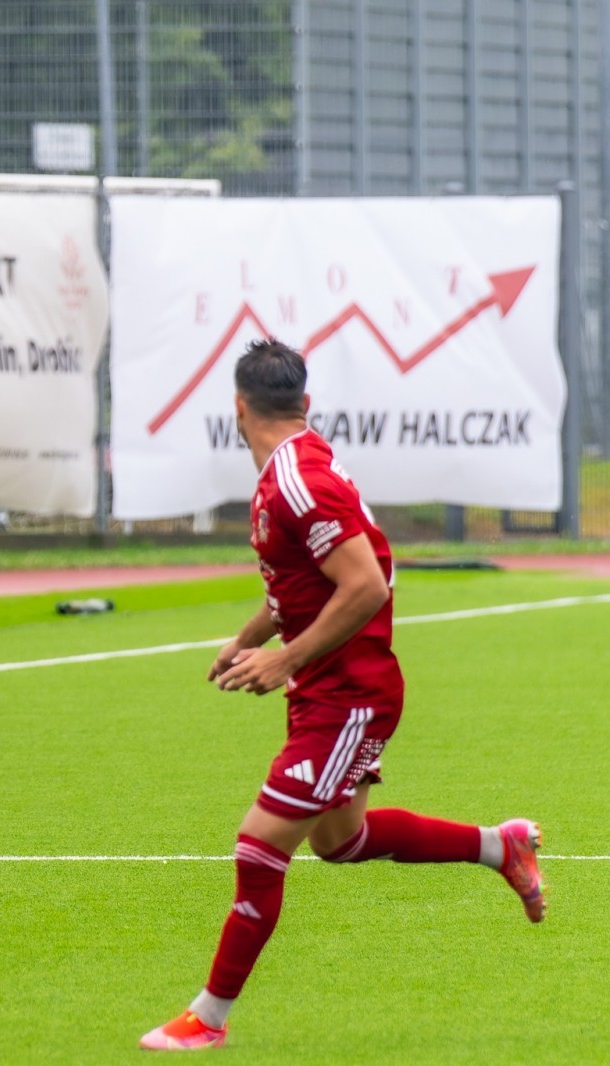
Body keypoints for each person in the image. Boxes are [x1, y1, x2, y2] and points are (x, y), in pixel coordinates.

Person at [139, 339, 543, 1052]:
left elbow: (365, 586)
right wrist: (246, 639)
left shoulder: (299, 480)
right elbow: (302, 583)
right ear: (304, 402)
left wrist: (284, 659)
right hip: (329, 688)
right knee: (340, 841)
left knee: (259, 847)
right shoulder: (293, 470)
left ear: (237, 408)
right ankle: (498, 846)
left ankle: (208, 1018)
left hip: (347, 696)